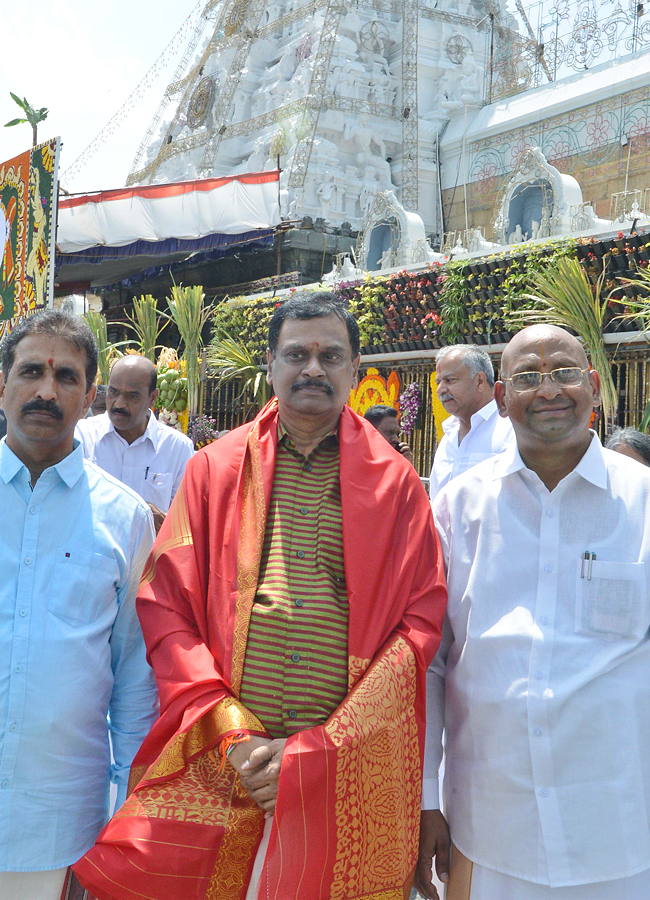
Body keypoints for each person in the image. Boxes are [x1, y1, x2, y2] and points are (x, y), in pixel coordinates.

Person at [74, 292, 447, 900]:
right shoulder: (212, 470)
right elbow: (166, 608)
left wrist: (327, 747)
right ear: (270, 366)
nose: (313, 370)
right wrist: (233, 733)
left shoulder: (397, 484)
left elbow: (420, 621)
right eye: (296, 354)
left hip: (345, 764)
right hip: (225, 758)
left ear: (356, 370)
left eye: (332, 356)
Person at [417, 324, 650, 900]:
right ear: (500, 399)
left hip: (622, 832)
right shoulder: (457, 507)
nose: (549, 389)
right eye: (527, 377)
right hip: (490, 830)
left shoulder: (643, 500)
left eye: (565, 372)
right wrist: (425, 798)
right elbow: (431, 662)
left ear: (594, 386)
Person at [0, 310, 158, 900]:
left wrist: (128, 816)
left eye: (66, 376)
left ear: (89, 395)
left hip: (62, 825)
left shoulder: (125, 518)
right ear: (3, 383)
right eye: (31, 371)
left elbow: (134, 681)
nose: (46, 390)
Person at [76, 355, 194, 533]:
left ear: (153, 398)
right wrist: (141, 513)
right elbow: (72, 503)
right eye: (113, 392)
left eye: (132, 396)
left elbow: (186, 520)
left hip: (150, 559)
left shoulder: (178, 448)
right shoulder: (83, 436)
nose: (119, 403)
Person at [429, 344, 514, 500]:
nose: (441, 389)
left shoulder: (510, 429)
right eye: (438, 382)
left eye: (449, 380)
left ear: (480, 381)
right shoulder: (449, 434)